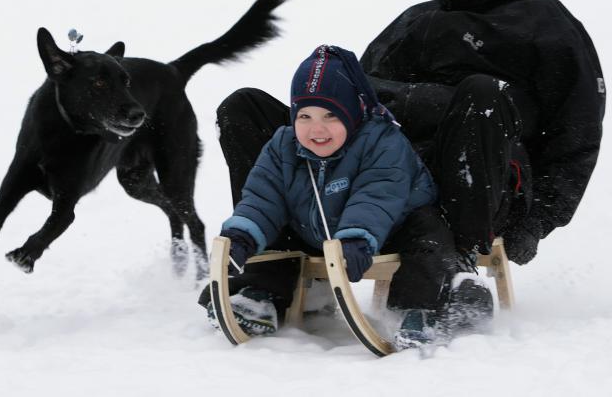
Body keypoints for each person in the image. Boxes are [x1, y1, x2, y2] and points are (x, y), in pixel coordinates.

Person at [216, 0, 605, 274]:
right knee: (245, 107)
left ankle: (456, 265)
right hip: (380, 189)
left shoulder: (543, 23)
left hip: (478, 197)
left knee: (482, 94)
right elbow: (349, 108)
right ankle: (273, 264)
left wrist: (538, 221)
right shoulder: (415, 22)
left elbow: (576, 132)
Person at [200, 45, 492, 348]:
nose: (317, 129)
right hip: (325, 230)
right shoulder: (282, 145)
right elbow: (263, 197)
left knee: (429, 235)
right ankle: (263, 293)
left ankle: (420, 308)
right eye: (305, 116)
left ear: (353, 113)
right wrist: (243, 235)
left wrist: (355, 237)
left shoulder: (382, 140)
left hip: (393, 226)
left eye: (330, 115)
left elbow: (376, 195)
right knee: (274, 225)